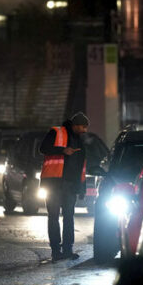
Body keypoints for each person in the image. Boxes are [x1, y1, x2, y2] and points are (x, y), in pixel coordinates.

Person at [39, 112, 89, 262]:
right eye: (83, 127)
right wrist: (62, 150)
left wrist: (82, 188)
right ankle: (56, 251)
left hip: (71, 185)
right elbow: (43, 148)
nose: (85, 130)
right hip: (54, 183)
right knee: (53, 216)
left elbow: (82, 167)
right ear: (75, 125)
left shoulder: (80, 141)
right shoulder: (56, 132)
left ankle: (67, 250)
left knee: (69, 217)